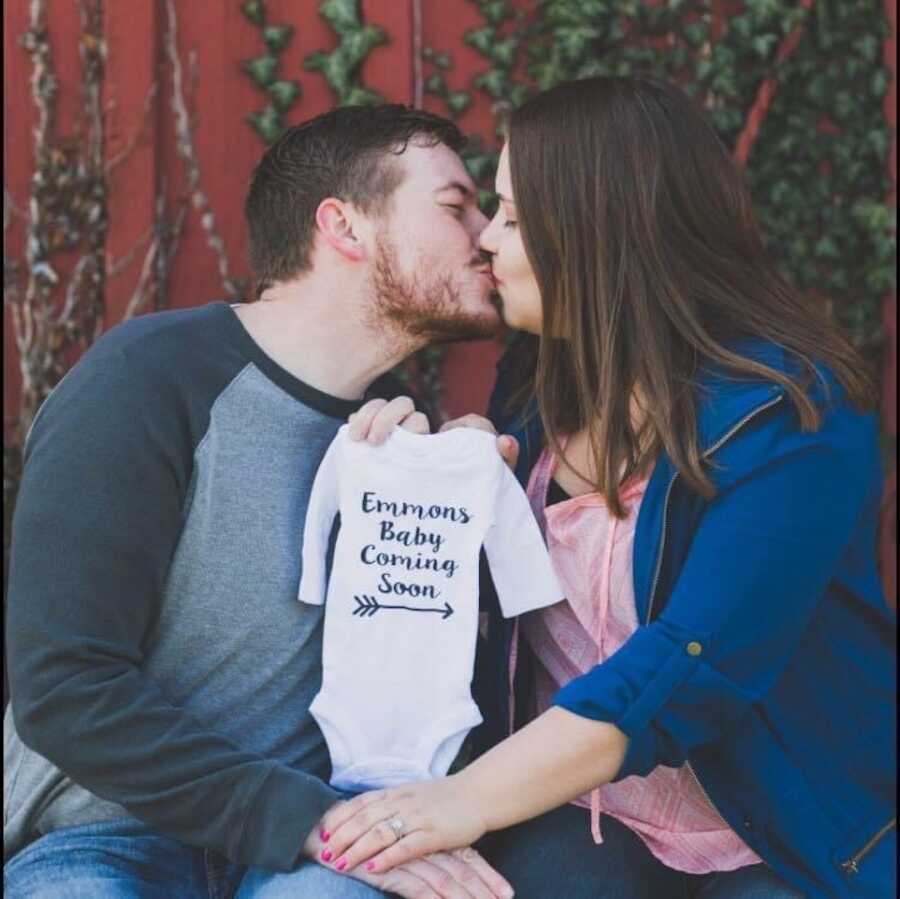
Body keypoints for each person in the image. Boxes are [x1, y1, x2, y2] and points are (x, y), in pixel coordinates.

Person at [315, 76, 897, 899]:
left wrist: (459, 800)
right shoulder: (538, 379)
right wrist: (434, 477)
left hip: (776, 829)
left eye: (514, 217)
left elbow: (689, 667)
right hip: (587, 817)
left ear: (597, 233)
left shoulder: (792, 418)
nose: (485, 239)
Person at [3, 104, 517, 899]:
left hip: (308, 853)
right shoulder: (145, 380)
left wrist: (466, 497)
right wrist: (300, 816)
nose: (485, 235)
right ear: (343, 227)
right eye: (455, 207)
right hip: (101, 837)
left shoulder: (399, 440)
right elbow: (65, 686)